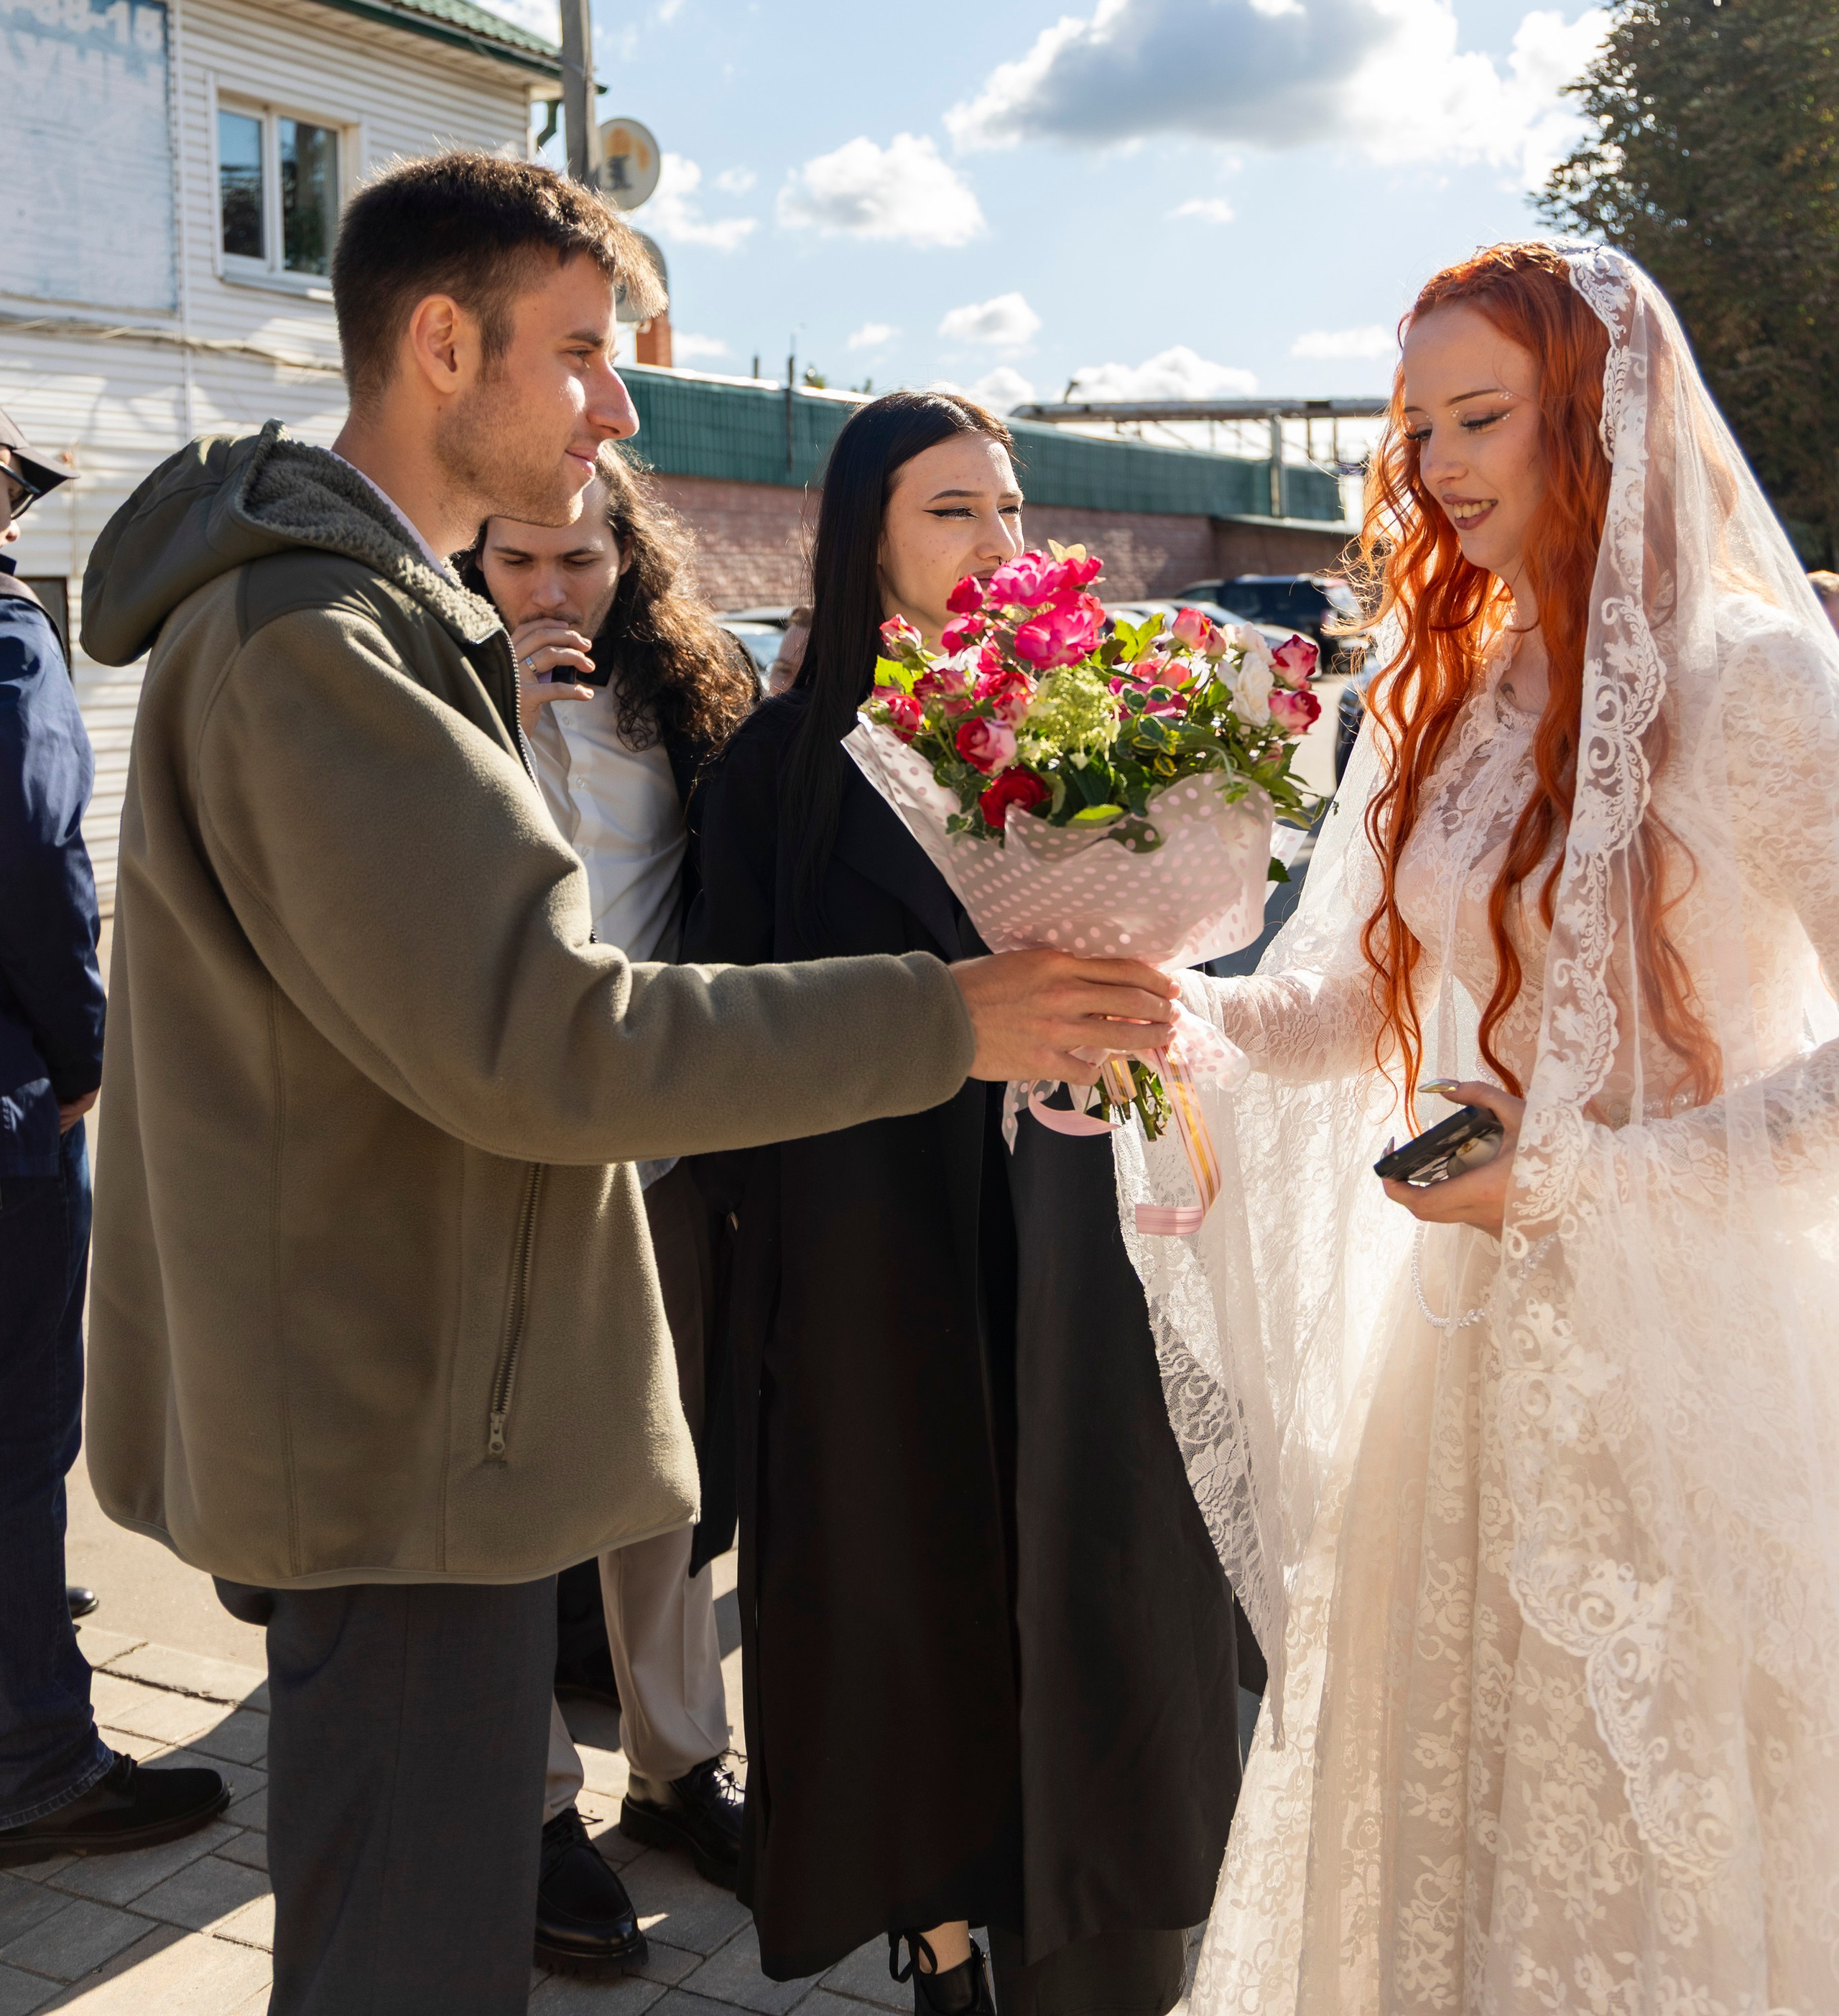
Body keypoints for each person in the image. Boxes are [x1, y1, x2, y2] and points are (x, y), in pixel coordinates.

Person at [77, 153, 1176, 2016]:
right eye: (583, 351)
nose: (623, 402)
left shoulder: (367, 618)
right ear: (442, 345)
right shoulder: (317, 646)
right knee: (404, 1969)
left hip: (416, 1419)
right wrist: (950, 1015)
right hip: (397, 1438)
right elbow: (552, 1044)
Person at [1152, 242, 1839, 2015]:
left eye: (1480, 417)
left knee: (1651, 1828)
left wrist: (1587, 1183)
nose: (1440, 463)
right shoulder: (1455, 687)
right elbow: (1358, 1012)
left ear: (1594, 419)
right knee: (1446, 1827)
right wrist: (1167, 1013)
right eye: (1416, 425)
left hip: (1689, 1351)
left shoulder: (1755, 683)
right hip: (1458, 1351)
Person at [688, 391, 1245, 2016]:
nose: (998, 543)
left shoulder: (1102, 733)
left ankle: (1106, 1927)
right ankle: (933, 1937)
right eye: (952, 512)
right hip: (879, 1262)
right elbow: (725, 1039)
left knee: (1097, 1585)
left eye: (1010, 510)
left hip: (1089, 1251)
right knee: (903, 1597)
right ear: (862, 534)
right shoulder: (780, 771)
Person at [469, 446, 757, 1976]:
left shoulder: (682, 702)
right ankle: (524, 1812)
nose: (553, 590)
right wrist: (491, 702)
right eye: (517, 561)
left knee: (662, 1477)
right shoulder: (427, 697)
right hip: (497, 1150)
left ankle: (677, 1762)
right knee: (518, 1492)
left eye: (581, 560)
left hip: (657, 1144)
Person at [0, 410, 228, 1867]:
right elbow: (30, 850)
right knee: (19, 1445)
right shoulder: (9, 640)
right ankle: (32, 1763)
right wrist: (84, 1058)